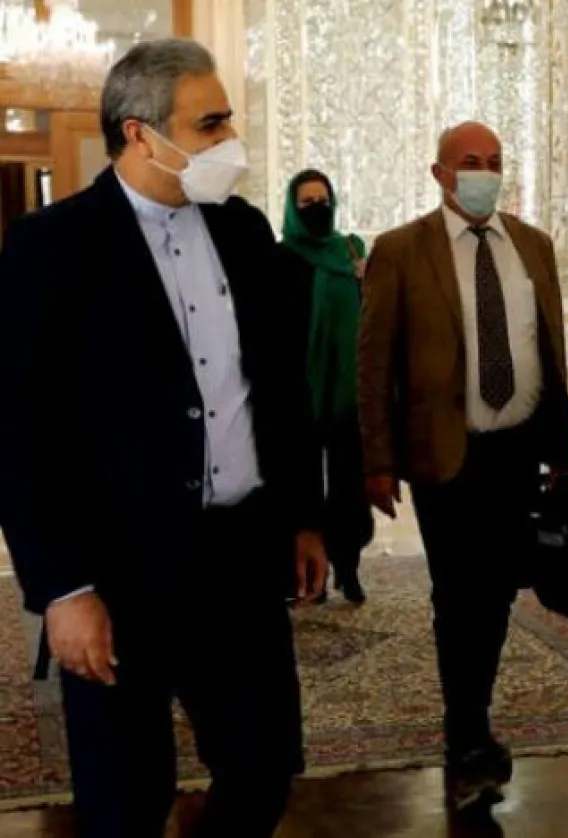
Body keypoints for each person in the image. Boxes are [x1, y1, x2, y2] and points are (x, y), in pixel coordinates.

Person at [0, 39, 327, 838]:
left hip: (240, 559)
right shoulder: (53, 246)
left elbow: (278, 390)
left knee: (262, 770)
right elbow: (18, 430)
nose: (229, 141)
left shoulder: (243, 230)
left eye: (227, 121)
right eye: (209, 124)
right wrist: (63, 589)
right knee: (127, 801)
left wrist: (302, 517)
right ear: (140, 134)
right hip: (120, 572)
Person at [356, 121, 568, 813]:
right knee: (458, 597)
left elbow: (549, 346)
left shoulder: (532, 246)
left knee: (499, 591)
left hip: (517, 448)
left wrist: (560, 446)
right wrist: (377, 460)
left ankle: (474, 724)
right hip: (445, 453)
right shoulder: (401, 251)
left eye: (495, 161)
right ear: (440, 174)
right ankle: (466, 744)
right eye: (471, 162)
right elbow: (373, 363)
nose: (485, 173)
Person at [280, 169, 374, 604]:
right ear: (293, 208)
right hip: (299, 392)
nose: (317, 209)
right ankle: (308, 573)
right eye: (307, 203)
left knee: (349, 486)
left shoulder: (351, 251)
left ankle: (348, 566)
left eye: (323, 201)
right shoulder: (281, 258)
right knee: (302, 488)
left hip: (347, 392)